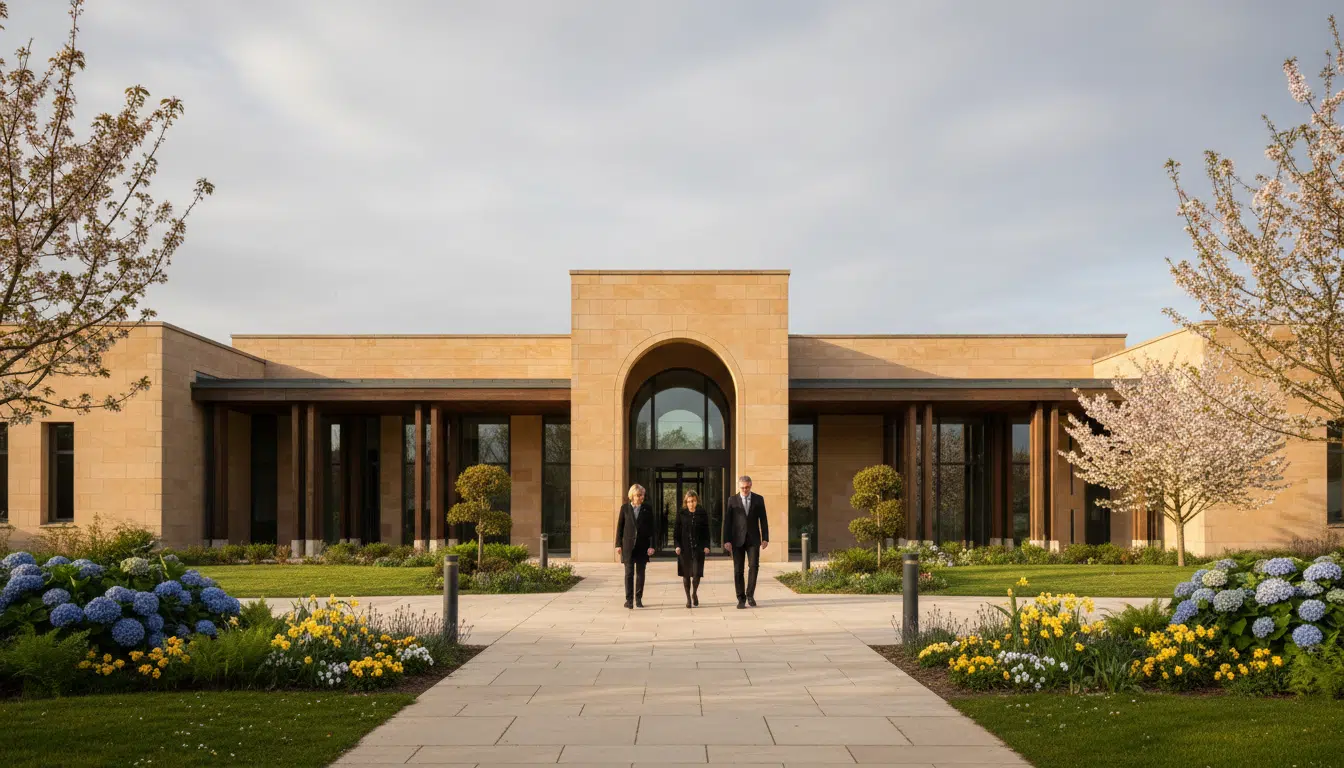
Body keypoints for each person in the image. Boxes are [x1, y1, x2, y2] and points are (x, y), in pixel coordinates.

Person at [723, 475, 769, 609]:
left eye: (747, 487)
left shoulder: (759, 499)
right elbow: (727, 522)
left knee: (754, 566)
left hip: (753, 540)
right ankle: (741, 599)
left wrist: (765, 538)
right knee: (738, 570)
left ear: (751, 486)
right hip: (737, 540)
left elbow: (763, 519)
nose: (745, 490)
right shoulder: (732, 500)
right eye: (742, 488)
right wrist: (726, 540)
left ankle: (750, 595)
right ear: (739, 487)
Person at [615, 483, 655, 609]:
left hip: (642, 546)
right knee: (629, 573)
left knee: (640, 574)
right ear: (632, 495)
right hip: (628, 546)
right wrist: (618, 544)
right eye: (638, 495)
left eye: (642, 495)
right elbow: (620, 527)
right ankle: (629, 601)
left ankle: (638, 599)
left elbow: (652, 529)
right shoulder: (625, 508)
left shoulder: (647, 509)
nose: (641, 497)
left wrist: (651, 546)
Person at [674, 489, 711, 609]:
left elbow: (706, 531)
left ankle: (694, 593)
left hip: (698, 548)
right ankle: (688, 599)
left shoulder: (702, 513)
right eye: (689, 501)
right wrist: (677, 545)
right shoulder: (681, 513)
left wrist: (706, 545)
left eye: (693, 501)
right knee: (686, 575)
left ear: (697, 501)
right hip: (684, 549)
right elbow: (676, 532)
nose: (691, 503)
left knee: (696, 574)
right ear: (686, 502)